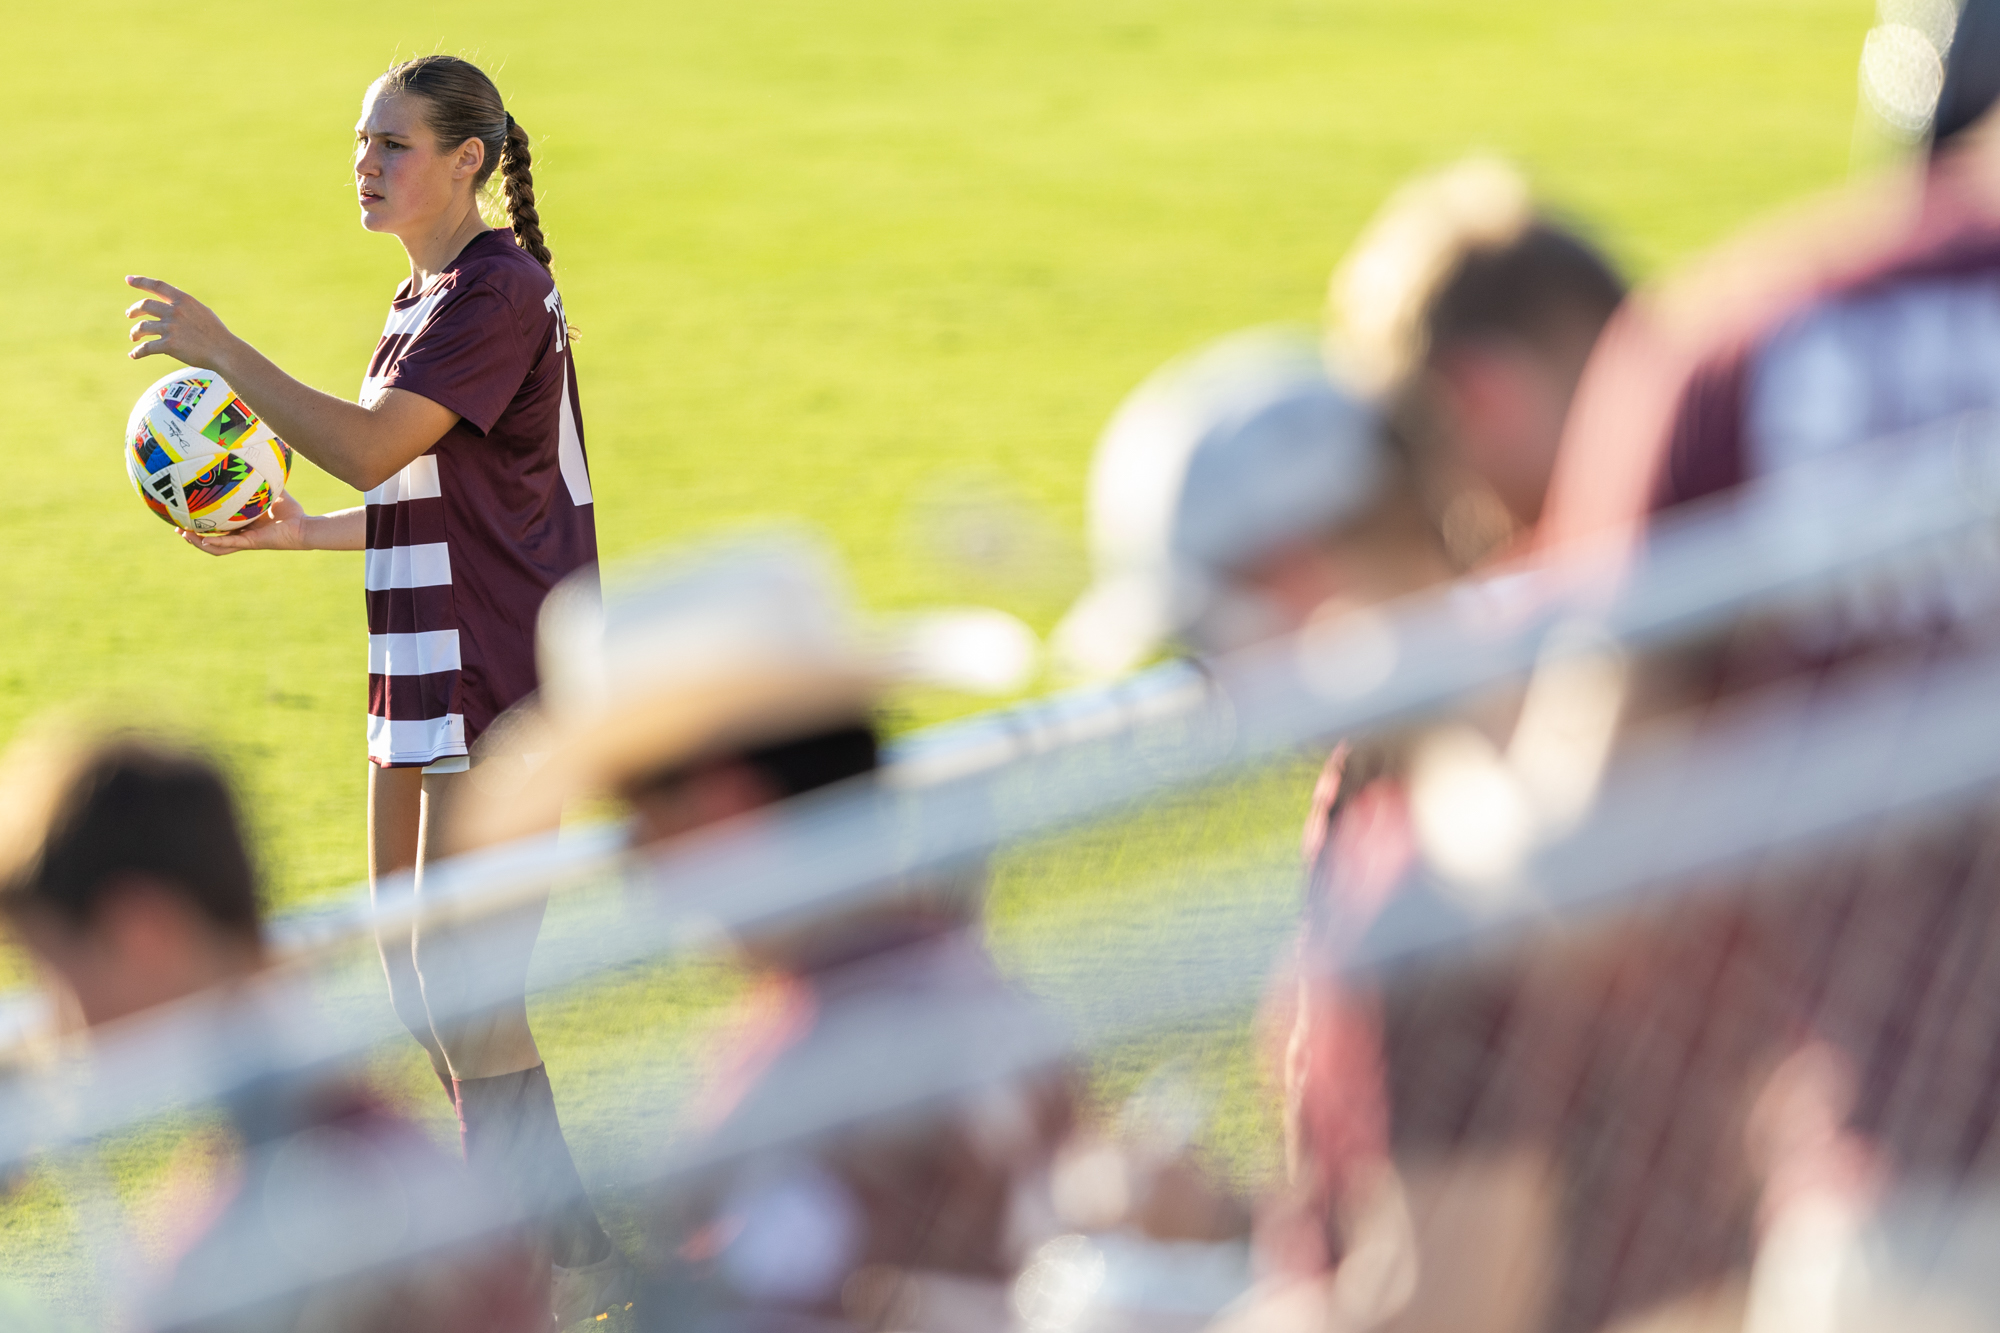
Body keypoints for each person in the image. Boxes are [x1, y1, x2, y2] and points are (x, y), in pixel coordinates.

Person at [119, 55, 623, 1320]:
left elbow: (365, 443)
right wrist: (302, 536)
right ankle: (555, 1240)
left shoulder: (497, 291)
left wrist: (223, 351)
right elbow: (430, 495)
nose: (366, 162)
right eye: (360, 141)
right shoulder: (426, 297)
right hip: (419, 652)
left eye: (392, 144)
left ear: (469, 159)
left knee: (467, 992)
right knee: (418, 986)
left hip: (495, 667)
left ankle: (527, 1253)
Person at [453, 535, 1078, 1331]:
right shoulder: (974, 981)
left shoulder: (786, 1083)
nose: (637, 858)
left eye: (640, 819)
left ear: (725, 811)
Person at [0, 727, 546, 1333]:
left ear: (142, 936)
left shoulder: (220, 1258)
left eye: (53, 971)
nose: (53, 1022)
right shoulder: (382, 1147)